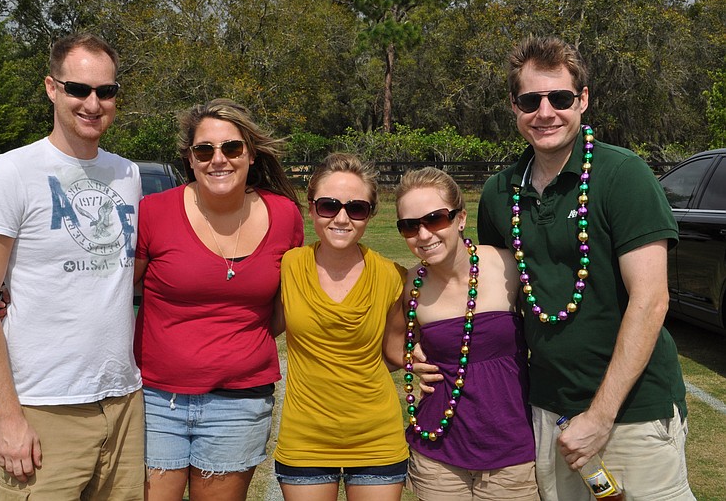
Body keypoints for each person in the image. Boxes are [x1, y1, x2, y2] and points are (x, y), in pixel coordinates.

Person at [477, 35, 694, 500]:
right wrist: (425, 348)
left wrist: (599, 417)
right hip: (549, 412)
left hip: (633, 412)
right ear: (514, 106)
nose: (545, 112)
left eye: (560, 98)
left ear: (583, 100)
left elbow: (651, 300)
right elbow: (494, 300)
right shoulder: (499, 193)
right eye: (530, 100)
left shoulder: (623, 174)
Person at [0, 33, 144, 500]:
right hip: (43, 406)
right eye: (78, 89)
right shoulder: (9, 173)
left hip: (123, 401)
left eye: (106, 91)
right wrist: (7, 416)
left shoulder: (128, 174)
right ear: (51, 88)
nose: (93, 103)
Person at [134, 98, 304, 501]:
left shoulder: (284, 215)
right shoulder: (153, 211)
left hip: (240, 404)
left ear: (250, 154)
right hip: (157, 400)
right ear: (190, 159)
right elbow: (118, 292)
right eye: (204, 150)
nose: (218, 159)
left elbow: (284, 309)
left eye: (231, 147)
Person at [395, 167, 539, 500]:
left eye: (435, 219)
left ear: (460, 218)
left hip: (512, 455)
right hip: (437, 456)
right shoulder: (410, 285)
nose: (424, 234)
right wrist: (411, 360)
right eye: (410, 226)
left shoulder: (507, 266)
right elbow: (392, 345)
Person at [272, 152, 408, 501]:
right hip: (305, 438)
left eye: (356, 208)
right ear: (311, 208)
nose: (342, 218)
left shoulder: (392, 276)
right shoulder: (288, 266)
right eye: (329, 206)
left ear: (371, 214)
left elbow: (397, 352)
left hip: (377, 437)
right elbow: (255, 326)